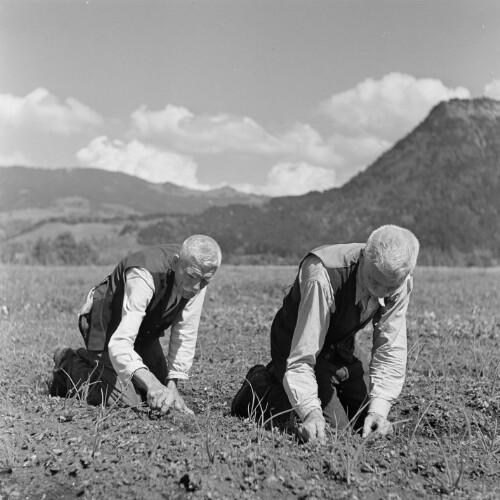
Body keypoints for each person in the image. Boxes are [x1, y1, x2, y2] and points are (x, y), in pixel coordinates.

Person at [231, 225, 419, 444]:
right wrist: (311, 412)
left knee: (366, 422)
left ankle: (313, 385)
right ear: (363, 257)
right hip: (296, 344)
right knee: (333, 431)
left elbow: (390, 348)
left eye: (389, 287)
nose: (380, 292)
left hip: (341, 345)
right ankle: (259, 389)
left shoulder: (398, 281)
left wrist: (379, 410)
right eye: (373, 281)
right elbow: (303, 355)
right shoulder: (323, 274)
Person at [50, 234, 222, 416]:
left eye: (205, 280)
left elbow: (185, 332)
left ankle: (100, 366)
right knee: (126, 399)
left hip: (144, 332)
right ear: (176, 262)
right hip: (107, 327)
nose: (196, 287)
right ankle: (69, 362)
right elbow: (121, 343)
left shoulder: (198, 274)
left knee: (159, 393)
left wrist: (172, 385)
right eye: (191, 276)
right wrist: (153, 384)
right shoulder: (143, 275)